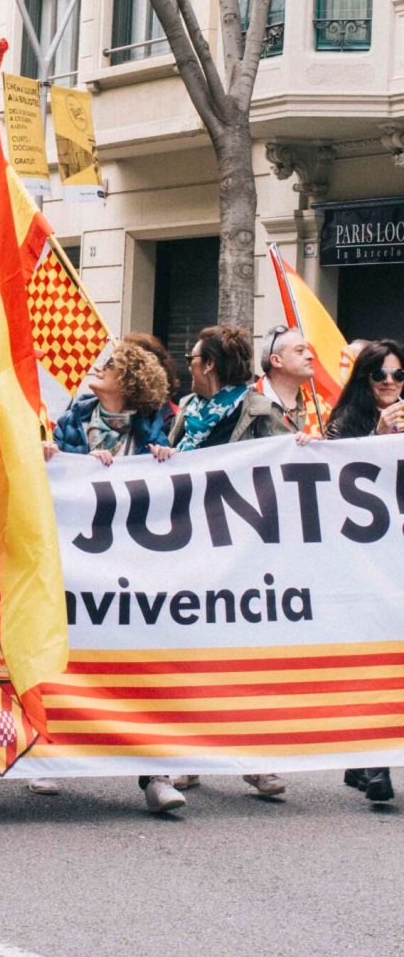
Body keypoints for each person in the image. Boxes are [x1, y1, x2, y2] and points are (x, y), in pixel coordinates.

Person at [48, 342, 184, 814]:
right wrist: (64, 458)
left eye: (104, 366)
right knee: (66, 654)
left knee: (139, 665)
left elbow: (176, 482)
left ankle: (155, 774)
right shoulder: (71, 420)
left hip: (132, 569)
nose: (94, 369)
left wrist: (162, 458)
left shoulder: (154, 430)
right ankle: (49, 759)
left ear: (126, 383)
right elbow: (54, 474)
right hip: (73, 563)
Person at [162, 325, 291, 804]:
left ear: (210, 364)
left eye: (194, 359)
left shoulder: (258, 409)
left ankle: (255, 761)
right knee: (190, 654)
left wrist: (299, 448)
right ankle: (188, 760)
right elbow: (169, 465)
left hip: (239, 551)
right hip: (187, 547)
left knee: (236, 657)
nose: (189, 366)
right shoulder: (188, 412)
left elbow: (286, 468)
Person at [326, 340, 404, 809]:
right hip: (366, 563)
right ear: (365, 380)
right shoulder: (347, 423)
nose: (391, 384)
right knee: (379, 657)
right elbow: (334, 482)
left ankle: (366, 759)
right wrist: (377, 436)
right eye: (381, 376)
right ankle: (374, 761)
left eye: (399, 376)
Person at [52, 341, 170, 465]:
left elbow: (159, 480)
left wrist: (167, 459)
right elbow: (54, 474)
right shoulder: (70, 421)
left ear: (128, 380)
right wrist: (47, 453)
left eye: (109, 364)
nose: (97, 367)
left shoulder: (151, 432)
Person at [257, 325, 316, 432]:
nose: (311, 356)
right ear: (276, 361)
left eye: (308, 350)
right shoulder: (245, 404)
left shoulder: (322, 405)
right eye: (300, 351)